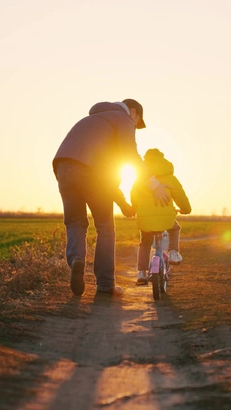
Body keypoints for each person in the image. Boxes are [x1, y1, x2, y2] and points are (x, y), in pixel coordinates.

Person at [52, 99, 169, 297]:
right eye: (137, 122)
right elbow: (130, 156)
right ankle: (105, 285)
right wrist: (154, 185)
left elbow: (108, 174)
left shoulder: (92, 120)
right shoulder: (122, 119)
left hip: (62, 167)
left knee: (75, 222)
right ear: (132, 112)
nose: (135, 127)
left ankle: (77, 261)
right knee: (105, 227)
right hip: (91, 172)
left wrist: (122, 203)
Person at [131, 148, 192, 285]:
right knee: (174, 227)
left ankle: (141, 273)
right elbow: (180, 196)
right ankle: (173, 253)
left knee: (145, 243)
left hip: (145, 219)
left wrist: (136, 208)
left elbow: (133, 195)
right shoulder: (170, 178)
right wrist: (185, 209)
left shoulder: (141, 177)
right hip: (166, 219)